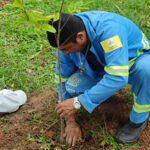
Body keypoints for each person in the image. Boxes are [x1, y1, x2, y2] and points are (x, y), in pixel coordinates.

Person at [47, 11, 150, 146]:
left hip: (132, 62)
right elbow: (62, 80)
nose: (64, 53)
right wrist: (70, 122)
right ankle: (102, 93)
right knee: (72, 86)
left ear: (80, 37)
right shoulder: (66, 38)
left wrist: (79, 102)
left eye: (66, 49)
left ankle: (138, 121)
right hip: (101, 68)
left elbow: (118, 77)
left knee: (146, 70)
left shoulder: (109, 31)